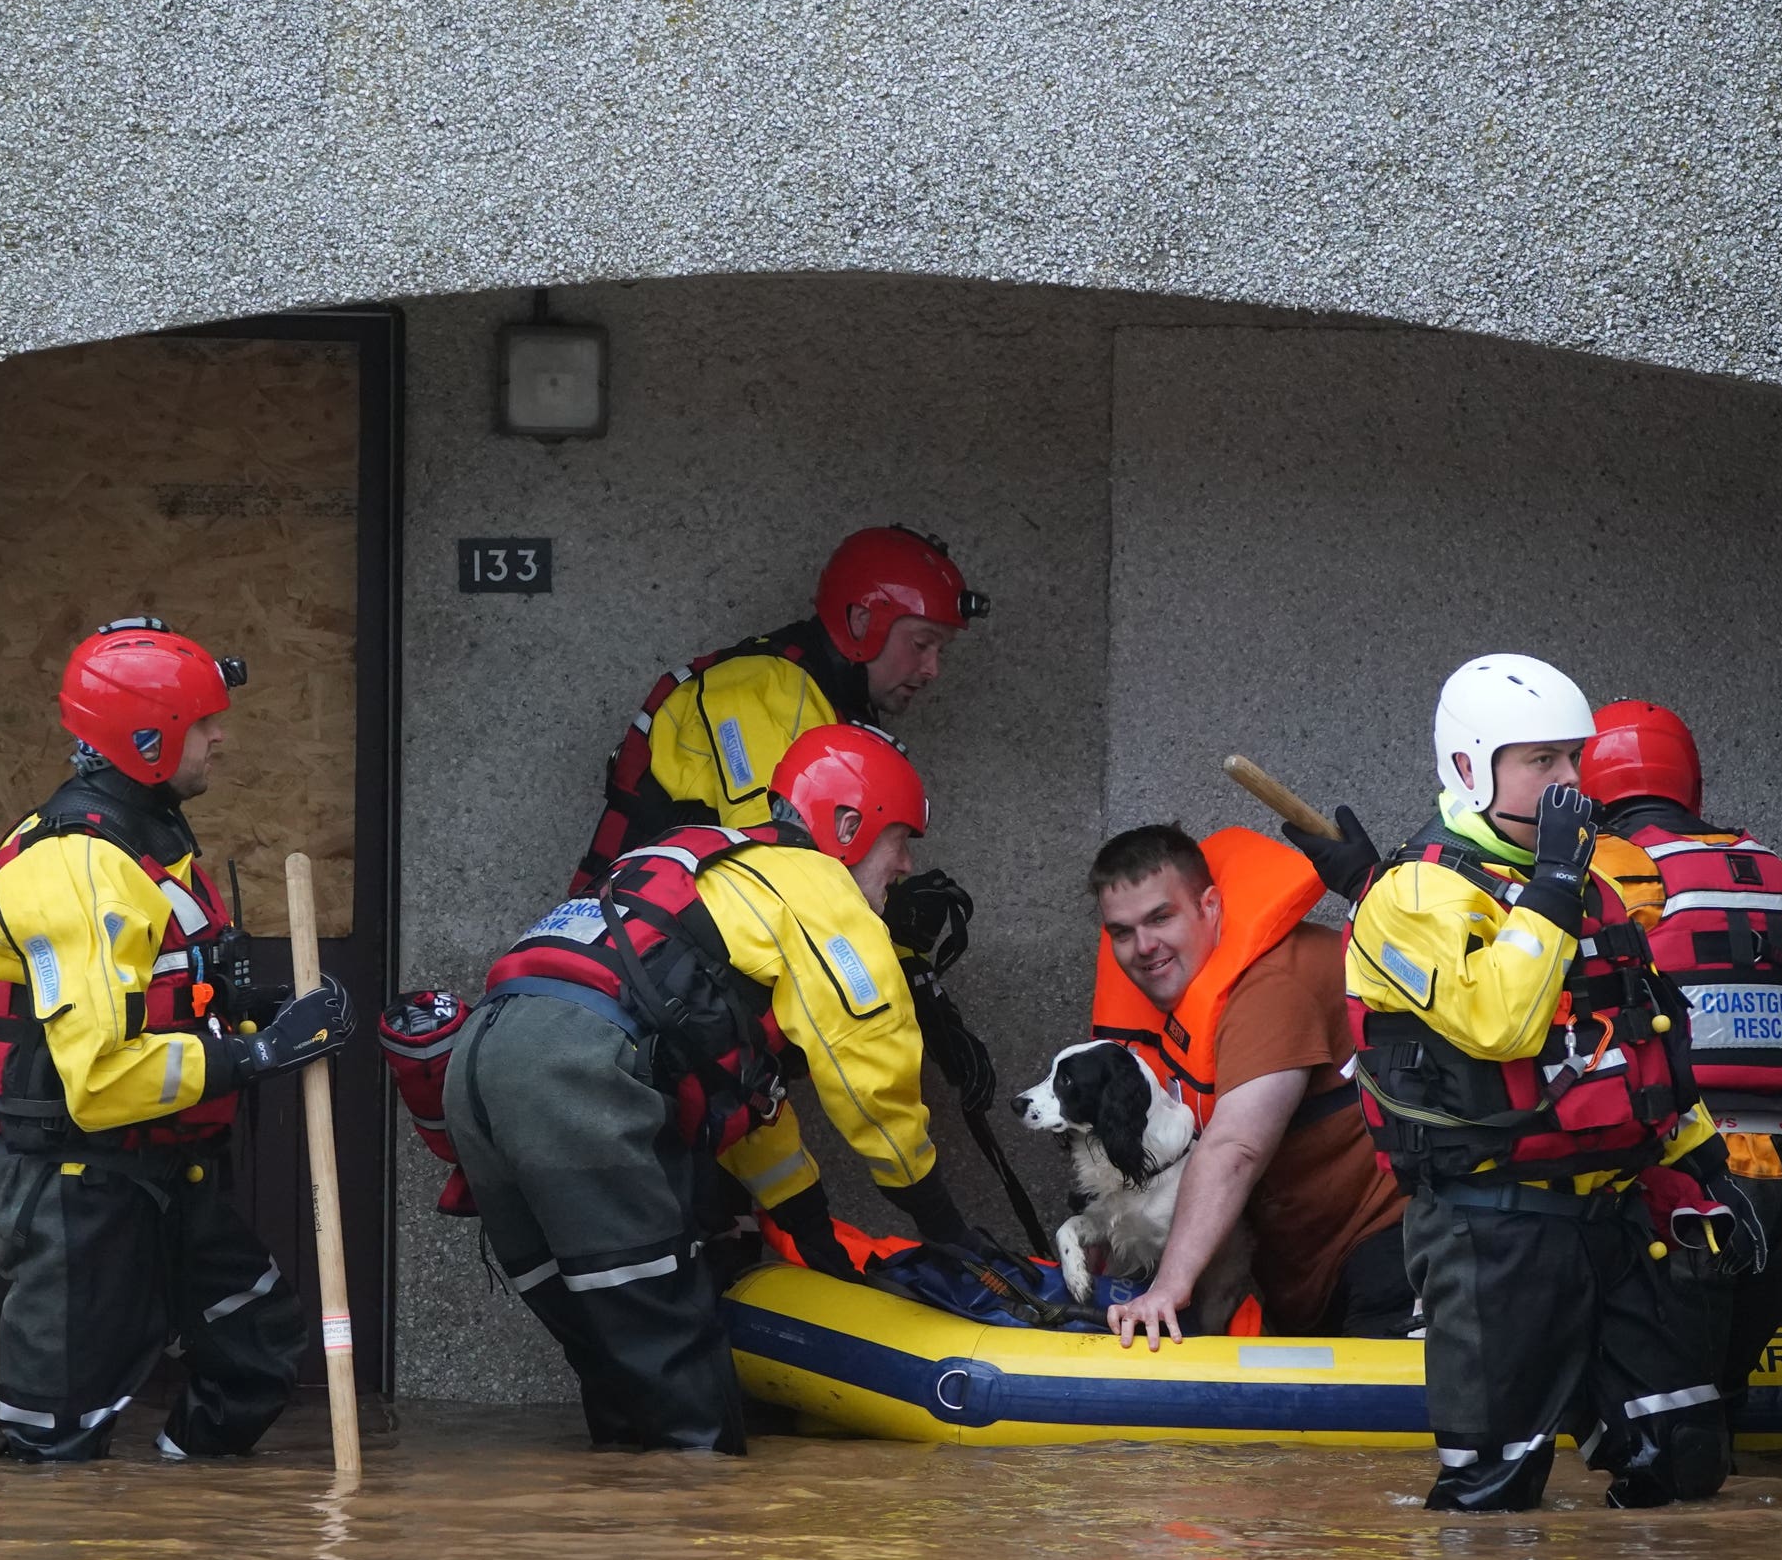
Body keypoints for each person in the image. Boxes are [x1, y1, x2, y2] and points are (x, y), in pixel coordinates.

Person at [450, 723, 983, 1454]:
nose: (907, 864)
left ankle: (605, 1552)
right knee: (683, 1377)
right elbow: (871, 1068)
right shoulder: (819, 886)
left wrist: (811, 1228)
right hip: (577, 1079)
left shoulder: (708, 867)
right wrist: (939, 1216)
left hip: (479, 1067)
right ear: (850, 826)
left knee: (618, 1363)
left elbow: (747, 1098)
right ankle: (701, 1540)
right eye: (903, 841)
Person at [1338, 654, 1756, 1513]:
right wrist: (1557, 889)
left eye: (1575, 758)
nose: (1572, 783)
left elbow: (1644, 1042)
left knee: (1683, 1463)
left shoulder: (1588, 887)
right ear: (1467, 767)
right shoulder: (1414, 894)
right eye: (1541, 762)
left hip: (1610, 1217)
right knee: (1494, 1496)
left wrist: (1712, 1169)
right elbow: (1503, 1024)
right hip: (1494, 1228)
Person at [0, 618, 353, 1463]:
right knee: (54, 1449)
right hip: (79, 1188)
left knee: (255, 1353)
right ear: (147, 740)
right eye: (204, 725)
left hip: (167, 1174)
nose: (222, 739)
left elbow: (169, 1007)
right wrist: (256, 1058)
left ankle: (184, 1550)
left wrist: (267, 1017)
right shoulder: (76, 867)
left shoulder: (149, 851)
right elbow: (100, 1078)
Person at [1578, 699, 1782, 1415]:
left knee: (1664, 1416)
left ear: (1590, 790)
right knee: (1723, 1399)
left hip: (1679, 1185)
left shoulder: (1603, 877)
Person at [1082, 825, 1412, 1346]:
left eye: (1161, 918)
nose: (1143, 947)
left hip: (1389, 1243)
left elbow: (1237, 1145)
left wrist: (1168, 1289)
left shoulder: (1269, 986)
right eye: (1122, 932)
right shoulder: (1165, 1000)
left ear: (1209, 906)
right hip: (1300, 1270)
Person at [569, 525, 987, 894]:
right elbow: (777, 868)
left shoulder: (824, 702)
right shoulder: (758, 688)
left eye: (940, 651)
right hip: (630, 961)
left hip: (668, 960)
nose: (932, 669)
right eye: (920, 644)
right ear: (863, 620)